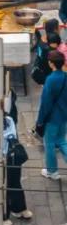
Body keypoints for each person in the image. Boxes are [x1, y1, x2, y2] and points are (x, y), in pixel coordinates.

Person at [37, 46, 67, 178]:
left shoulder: (50, 80)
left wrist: (40, 120)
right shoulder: (65, 77)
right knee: (61, 141)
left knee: (49, 144)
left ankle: (52, 171)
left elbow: (45, 103)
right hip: (64, 116)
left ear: (51, 63)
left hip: (51, 118)